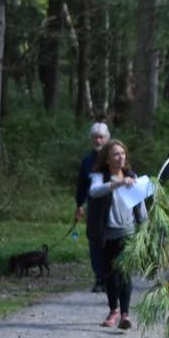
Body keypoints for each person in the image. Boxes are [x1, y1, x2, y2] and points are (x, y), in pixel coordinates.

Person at [87, 139, 146, 330]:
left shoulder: (132, 176)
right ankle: (113, 310)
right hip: (107, 233)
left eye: (123, 153)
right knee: (111, 274)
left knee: (125, 273)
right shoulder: (100, 176)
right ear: (107, 159)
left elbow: (140, 204)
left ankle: (125, 315)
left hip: (128, 231)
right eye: (116, 154)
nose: (121, 157)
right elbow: (94, 192)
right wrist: (117, 184)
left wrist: (144, 226)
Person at [74, 120, 110, 292]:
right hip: (94, 209)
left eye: (101, 137)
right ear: (91, 139)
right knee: (95, 242)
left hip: (113, 209)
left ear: (107, 139)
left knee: (112, 242)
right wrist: (79, 204)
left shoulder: (115, 157)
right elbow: (81, 184)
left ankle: (111, 277)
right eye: (95, 138)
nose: (98, 141)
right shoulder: (87, 161)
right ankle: (99, 278)